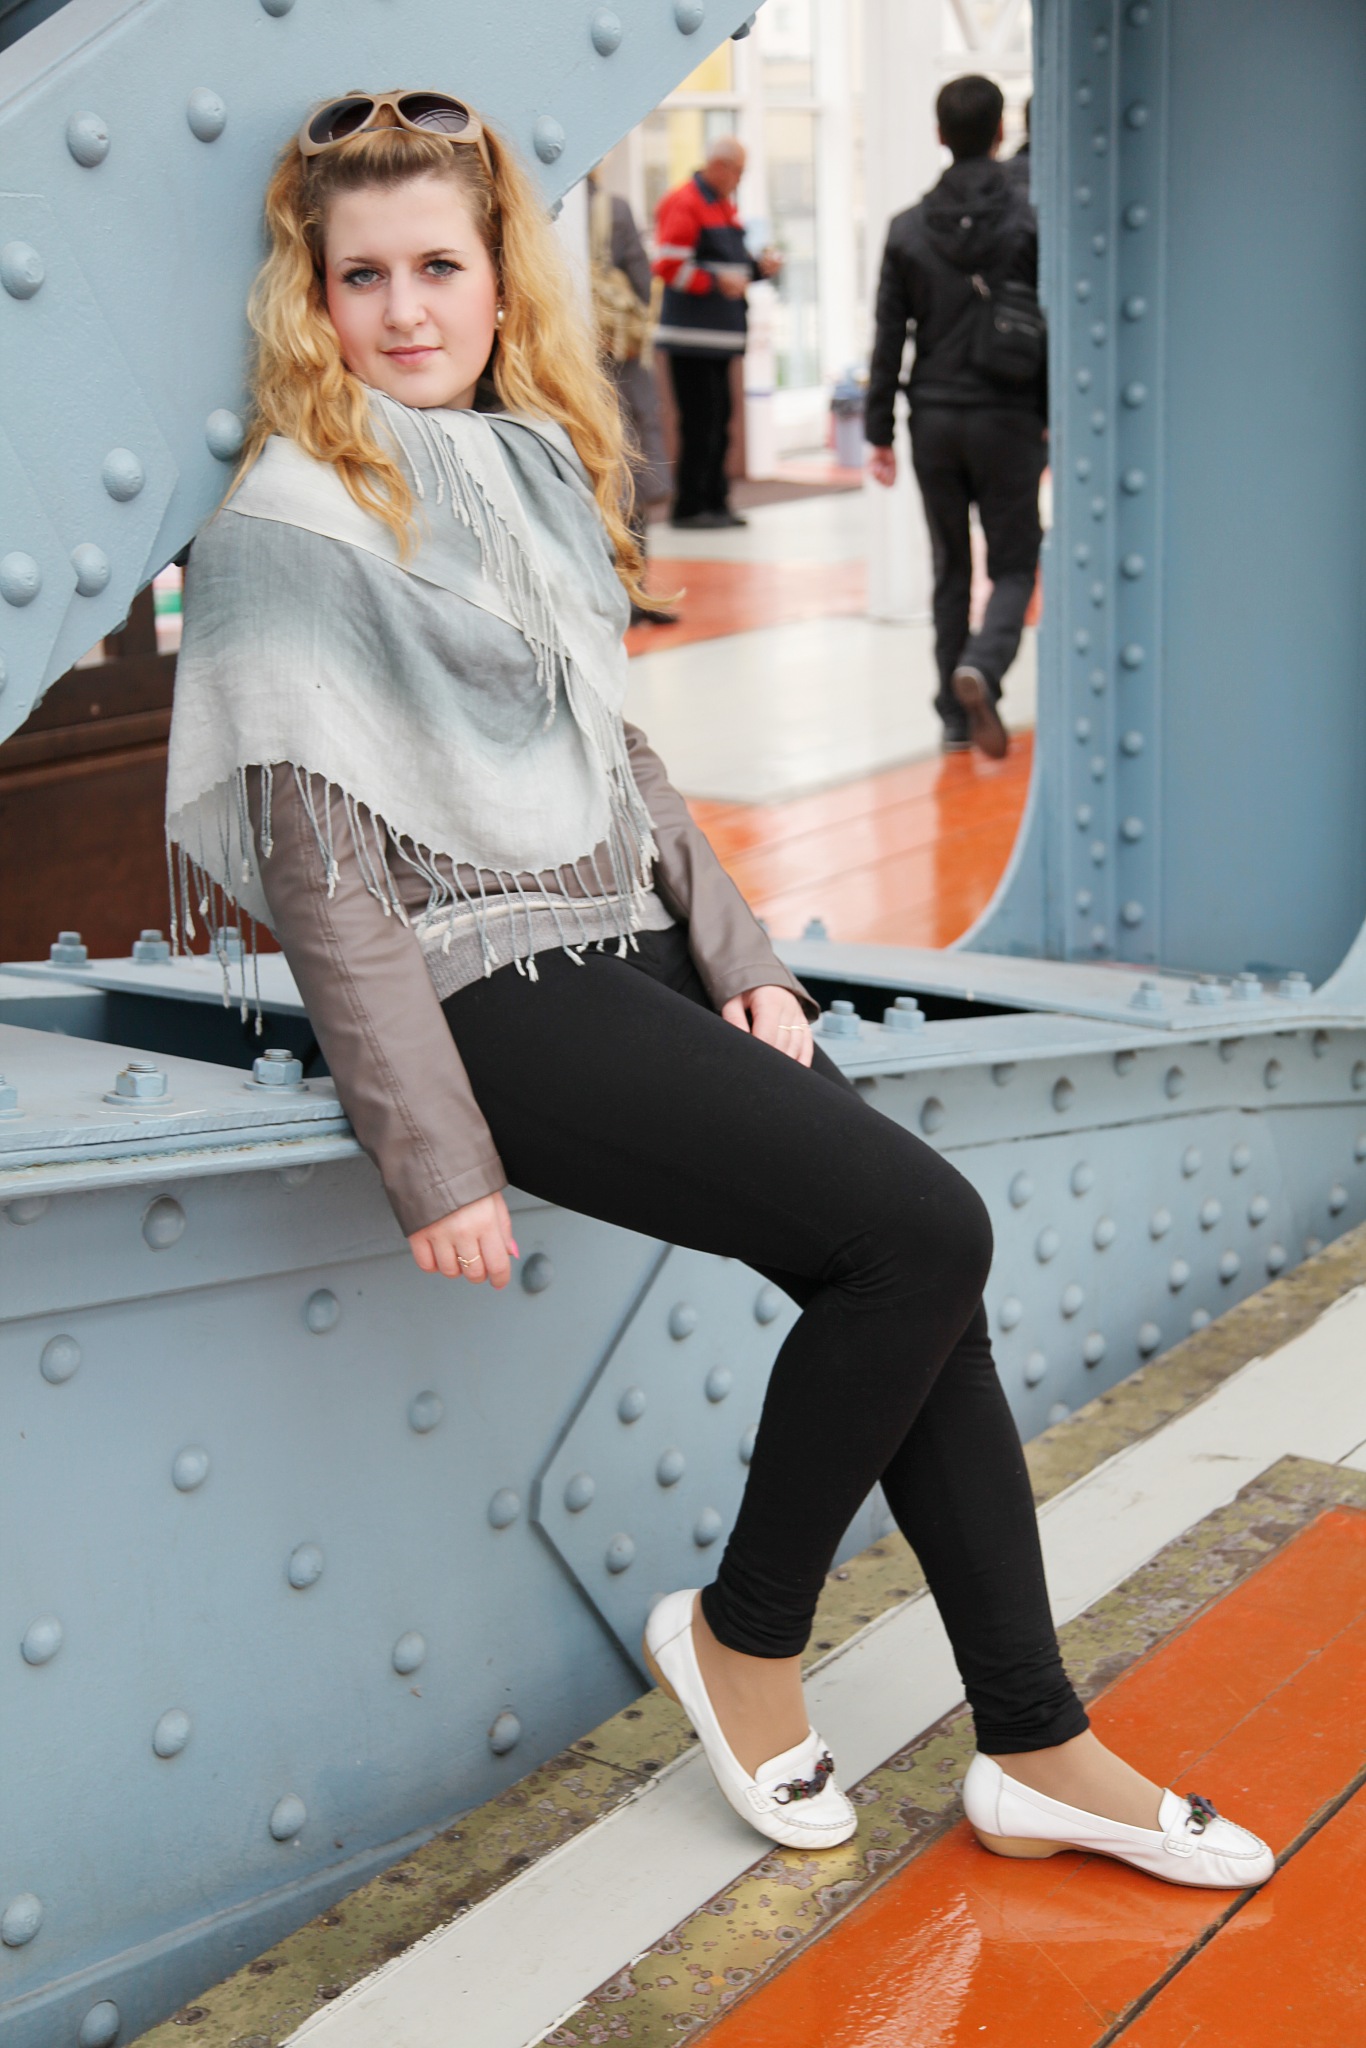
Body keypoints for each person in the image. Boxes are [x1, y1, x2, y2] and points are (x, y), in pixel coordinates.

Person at [164, 88, 1273, 1886]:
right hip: (489, 985)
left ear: (501, 278)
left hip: (632, 940)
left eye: (438, 264)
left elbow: (617, 763)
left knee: (923, 1280)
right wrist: (430, 1150)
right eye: (362, 276)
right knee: (923, 1233)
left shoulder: (527, 466)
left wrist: (739, 956)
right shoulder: (291, 524)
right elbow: (321, 871)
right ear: (315, 295)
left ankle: (1033, 1741)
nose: (407, 308)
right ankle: (747, 1637)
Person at [866, 74, 1047, 760]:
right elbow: (1052, 321)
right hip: (1008, 416)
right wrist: (1053, 413)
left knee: (950, 567)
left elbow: (889, 337)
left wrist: (879, 431)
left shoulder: (907, 229)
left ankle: (953, 714)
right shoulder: (1031, 221)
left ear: (940, 134)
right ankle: (984, 665)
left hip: (934, 419)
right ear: (1000, 132)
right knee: (1016, 563)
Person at [652, 135, 781, 530]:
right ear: (720, 167)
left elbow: (729, 266)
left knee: (719, 422)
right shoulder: (686, 202)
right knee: (700, 425)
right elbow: (668, 266)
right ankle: (691, 507)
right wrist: (714, 282)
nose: (740, 179)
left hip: (719, 339)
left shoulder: (722, 206)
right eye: (739, 171)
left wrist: (758, 269)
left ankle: (715, 501)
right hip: (692, 339)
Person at [586, 167, 678, 627]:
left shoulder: (534, 207)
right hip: (619, 361)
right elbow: (644, 285)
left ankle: (599, 596)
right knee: (631, 472)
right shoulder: (613, 209)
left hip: (564, 362)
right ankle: (635, 589)